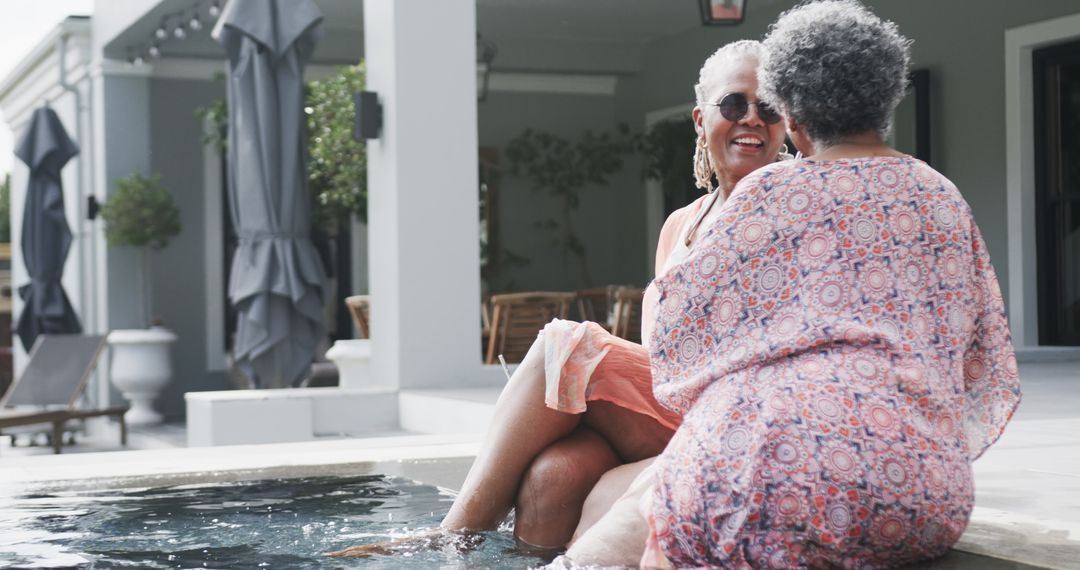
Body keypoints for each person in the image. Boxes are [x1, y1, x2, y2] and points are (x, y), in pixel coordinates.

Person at [564, 1, 1022, 567]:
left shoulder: (772, 193)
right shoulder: (941, 195)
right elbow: (984, 364)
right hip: (924, 494)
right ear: (885, 97)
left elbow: (676, 346)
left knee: (654, 517)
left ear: (795, 115)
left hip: (772, 474)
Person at [327, 40, 788, 557]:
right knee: (554, 473)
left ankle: (453, 535)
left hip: (725, 419)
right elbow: (657, 353)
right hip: (662, 409)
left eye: (769, 107)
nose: (752, 118)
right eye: (734, 104)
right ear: (701, 120)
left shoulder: (789, 210)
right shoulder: (680, 225)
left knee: (567, 343)